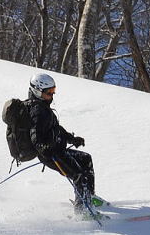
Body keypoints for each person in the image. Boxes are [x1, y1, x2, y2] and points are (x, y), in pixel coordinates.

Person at [26, 73, 99, 215]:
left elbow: (55, 129)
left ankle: (88, 195)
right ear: (37, 91)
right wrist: (43, 148)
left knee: (86, 158)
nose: (52, 95)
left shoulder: (43, 107)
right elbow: (35, 135)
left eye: (53, 91)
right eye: (49, 92)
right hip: (50, 154)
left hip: (58, 149)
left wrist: (72, 139)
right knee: (78, 175)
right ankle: (82, 211)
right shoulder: (37, 111)